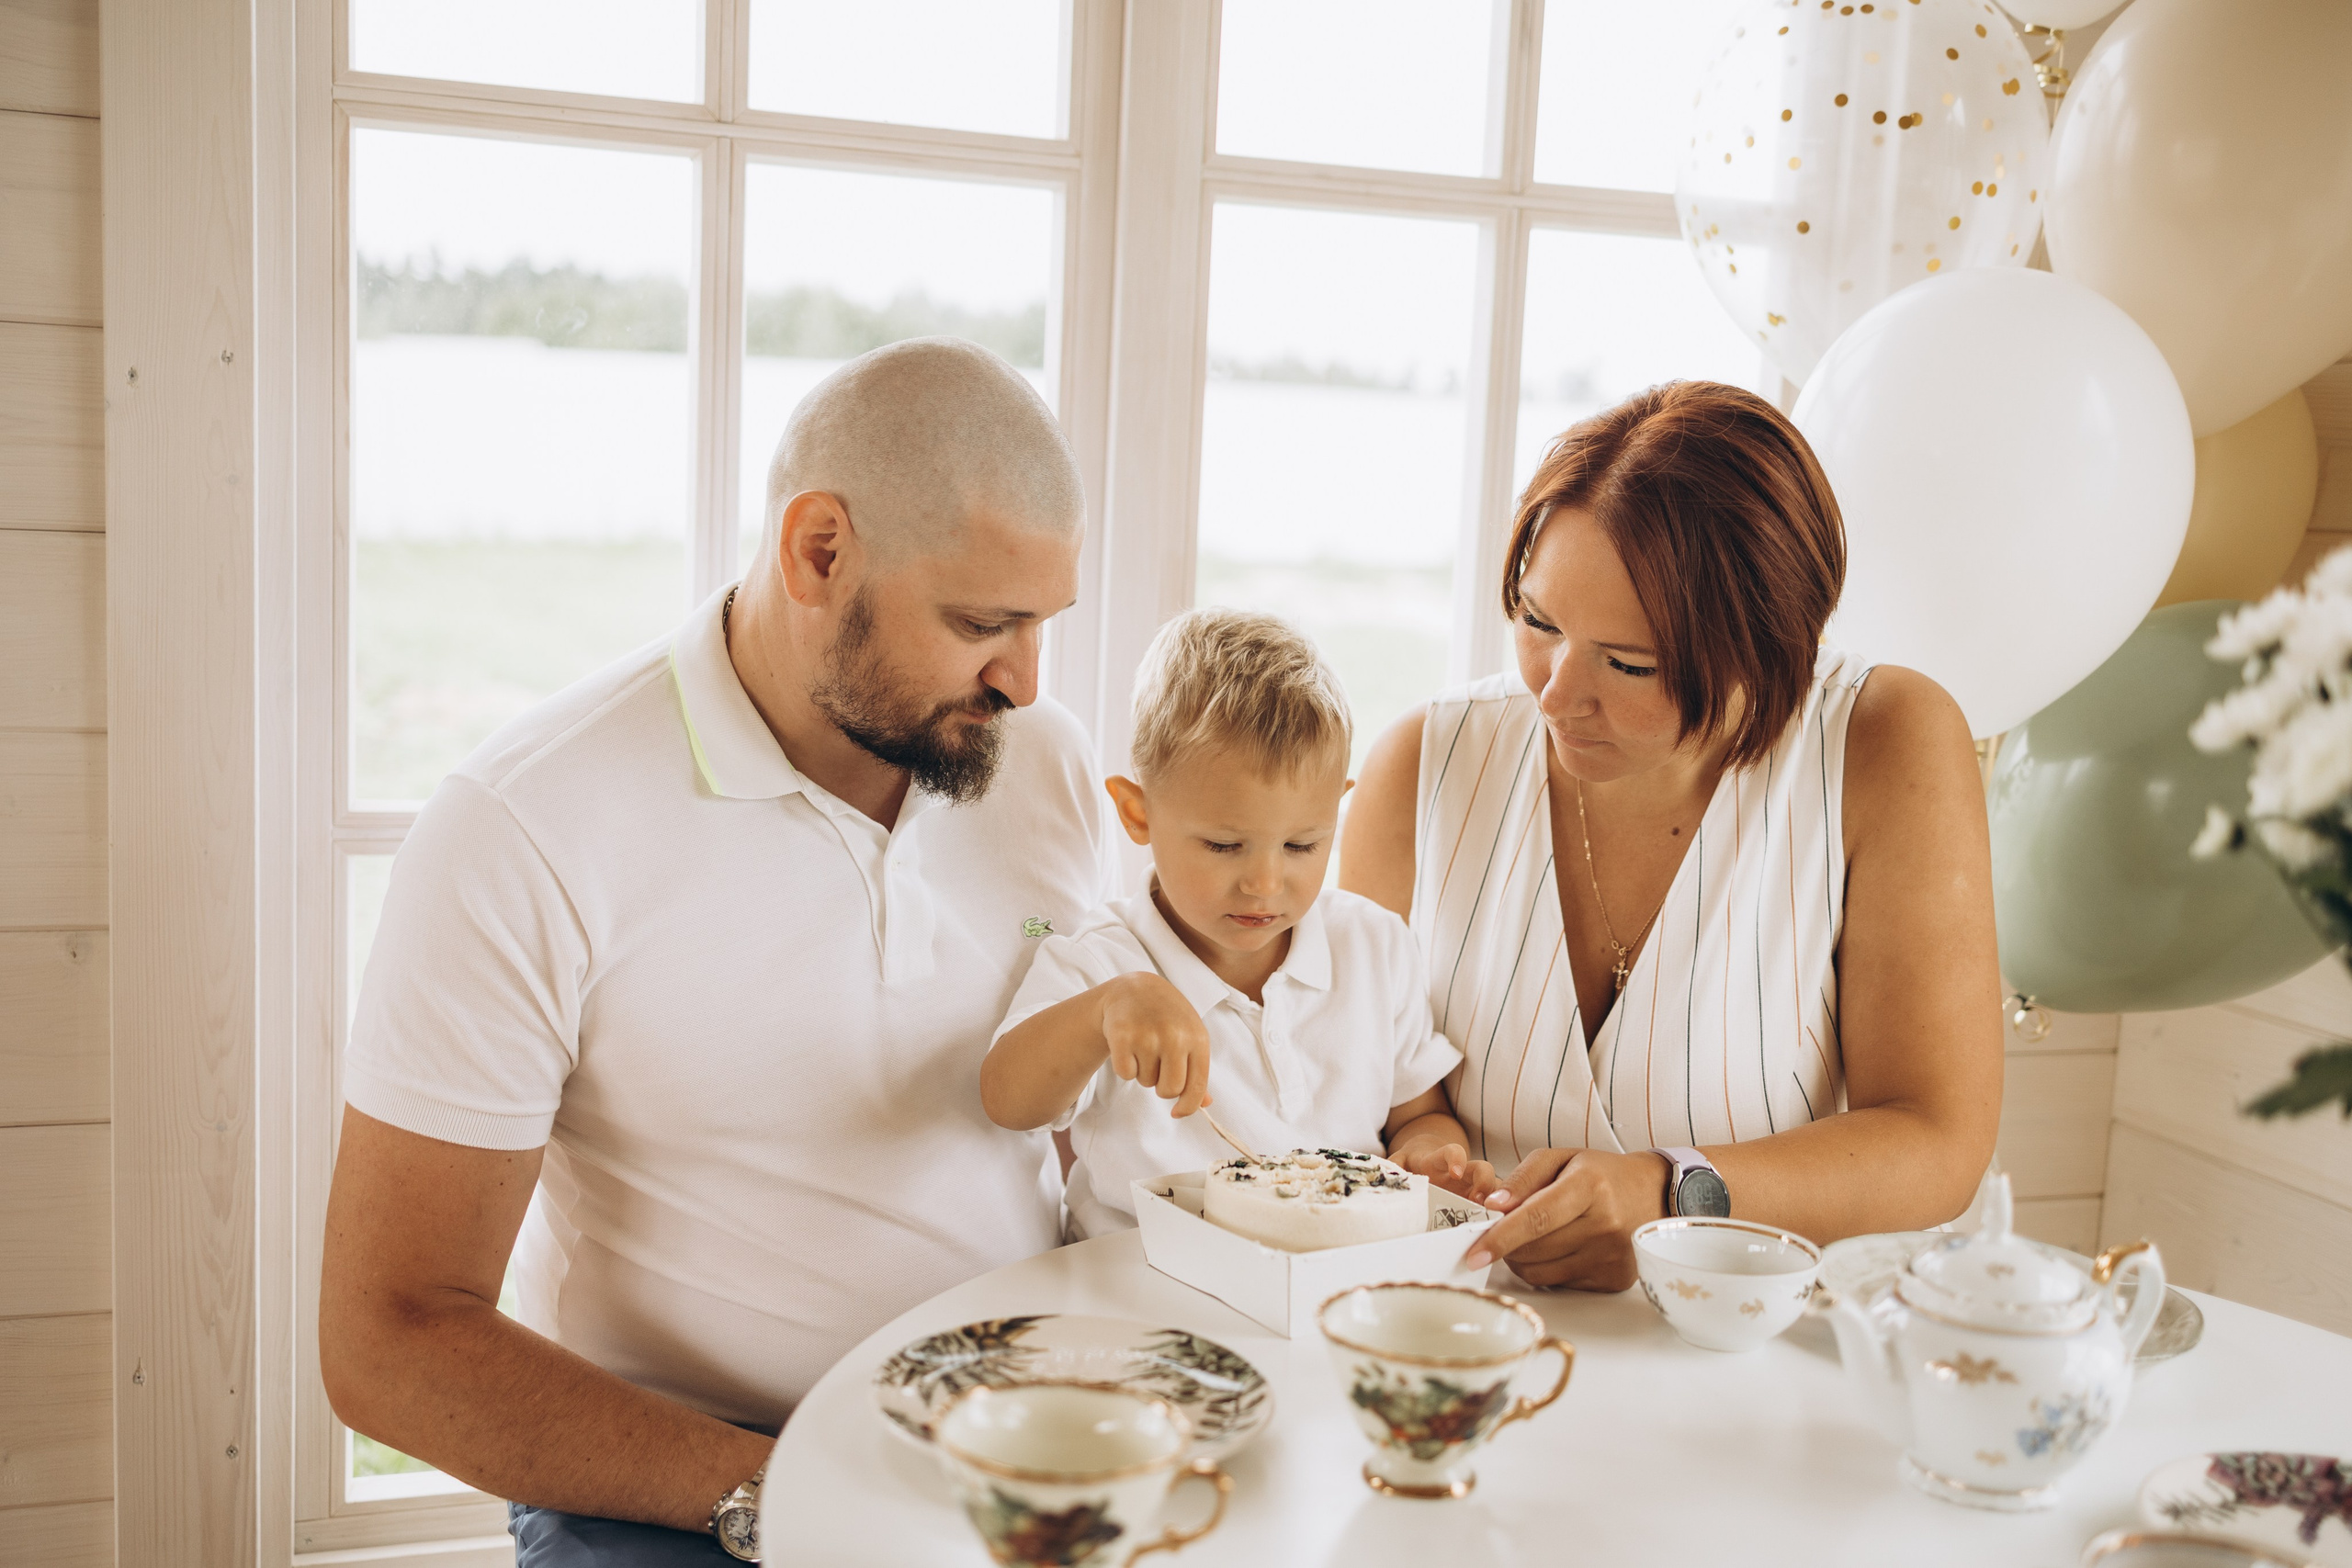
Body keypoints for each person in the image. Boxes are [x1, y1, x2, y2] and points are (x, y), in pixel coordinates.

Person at [319, 338, 1108, 1564]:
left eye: (1043, 622)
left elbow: (1084, 1130)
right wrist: (801, 1497)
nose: (1025, 677)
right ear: (819, 549)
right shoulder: (525, 821)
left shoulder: (1036, 758)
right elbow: (390, 1336)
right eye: (982, 620)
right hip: (686, 1483)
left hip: (1010, 1448)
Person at [1340, 379, 2004, 1293]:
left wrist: (1675, 1194)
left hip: (1745, 1368)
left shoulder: (1883, 741)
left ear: (1769, 648)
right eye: (1538, 621)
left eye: (1629, 663)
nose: (1554, 693)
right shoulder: (1422, 762)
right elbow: (1341, 1080)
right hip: (1455, 1344)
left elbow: (1936, 1141)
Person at [981, 607, 1483, 1239]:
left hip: (1327, 1285)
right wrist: (1102, 1012)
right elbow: (1007, 1099)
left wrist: (1428, 1156)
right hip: (1143, 1290)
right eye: (1224, 846)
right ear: (1138, 814)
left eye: (1301, 846)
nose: (1265, 884)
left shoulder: (1374, 946)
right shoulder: (1101, 964)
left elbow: (1420, 1114)